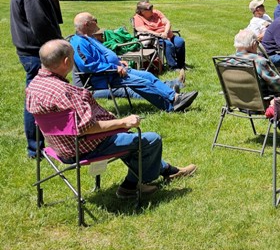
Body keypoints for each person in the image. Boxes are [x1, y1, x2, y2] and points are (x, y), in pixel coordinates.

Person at [25, 40, 197, 199]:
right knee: (150, 140)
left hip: (60, 146)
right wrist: (123, 122)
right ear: (65, 62)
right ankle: (130, 186)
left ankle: (168, 170)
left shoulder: (34, 85)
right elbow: (86, 127)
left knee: (129, 140)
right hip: (85, 146)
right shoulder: (65, 92)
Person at [70, 13, 198, 113]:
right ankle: (171, 106)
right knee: (143, 82)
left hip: (116, 70)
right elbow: (87, 65)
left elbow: (102, 56)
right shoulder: (78, 43)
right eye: (95, 20)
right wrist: (114, 67)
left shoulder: (89, 37)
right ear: (87, 24)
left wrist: (119, 61)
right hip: (103, 76)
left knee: (148, 76)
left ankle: (175, 96)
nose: (97, 22)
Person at [10, 0, 63, 158]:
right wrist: (57, 48)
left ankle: (41, 144)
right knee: (35, 100)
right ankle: (35, 148)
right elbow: (40, 25)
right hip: (35, 53)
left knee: (37, 98)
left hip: (32, 51)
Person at [132, 0, 186, 77]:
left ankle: (181, 65)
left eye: (152, 7)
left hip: (167, 34)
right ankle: (173, 66)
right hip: (154, 38)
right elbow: (143, 29)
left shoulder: (156, 13)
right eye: (149, 8)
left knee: (180, 42)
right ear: (142, 11)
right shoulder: (137, 18)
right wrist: (158, 34)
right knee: (168, 44)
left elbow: (167, 22)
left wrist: (166, 32)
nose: (152, 10)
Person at [233, 29, 280, 98]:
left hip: (237, 99)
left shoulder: (228, 61)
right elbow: (279, 87)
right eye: (257, 42)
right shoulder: (258, 61)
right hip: (260, 100)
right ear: (253, 44)